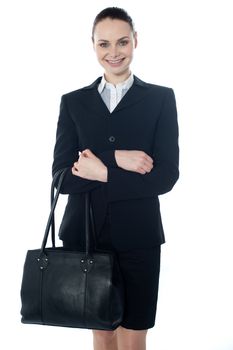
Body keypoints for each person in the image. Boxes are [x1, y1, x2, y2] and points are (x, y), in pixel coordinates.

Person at [52, 6, 179, 350]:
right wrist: (115, 159)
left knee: (134, 337)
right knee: (102, 334)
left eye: (122, 42)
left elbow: (165, 176)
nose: (114, 52)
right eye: (104, 44)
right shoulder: (73, 102)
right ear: (92, 45)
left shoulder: (160, 99)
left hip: (140, 239)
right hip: (86, 237)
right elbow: (61, 179)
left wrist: (101, 170)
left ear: (135, 41)